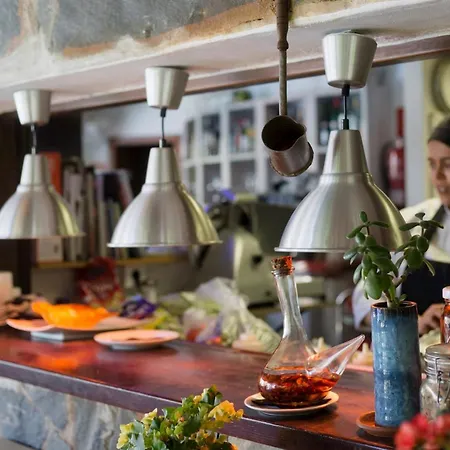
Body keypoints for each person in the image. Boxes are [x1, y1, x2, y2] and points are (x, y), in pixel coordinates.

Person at [352, 118, 450, 336]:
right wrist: (411, 323)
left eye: (447, 164)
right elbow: (364, 300)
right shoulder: (411, 221)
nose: (437, 177)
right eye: (432, 164)